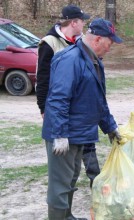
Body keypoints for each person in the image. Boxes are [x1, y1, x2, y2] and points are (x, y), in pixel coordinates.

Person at [42, 18, 123, 220]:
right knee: (60, 185)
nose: (110, 48)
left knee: (70, 180)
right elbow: (58, 99)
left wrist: (110, 127)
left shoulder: (95, 62)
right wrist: (60, 135)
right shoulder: (70, 60)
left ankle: (66, 216)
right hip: (64, 135)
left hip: (79, 134)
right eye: (109, 43)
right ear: (97, 39)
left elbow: (98, 101)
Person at [35, 5, 100, 189]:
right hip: (61, 108)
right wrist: (43, 108)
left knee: (87, 145)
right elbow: (43, 78)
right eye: (82, 21)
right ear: (74, 22)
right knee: (65, 157)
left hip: (81, 110)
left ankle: (96, 180)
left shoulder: (80, 42)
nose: (84, 25)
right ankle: (63, 196)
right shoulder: (49, 44)